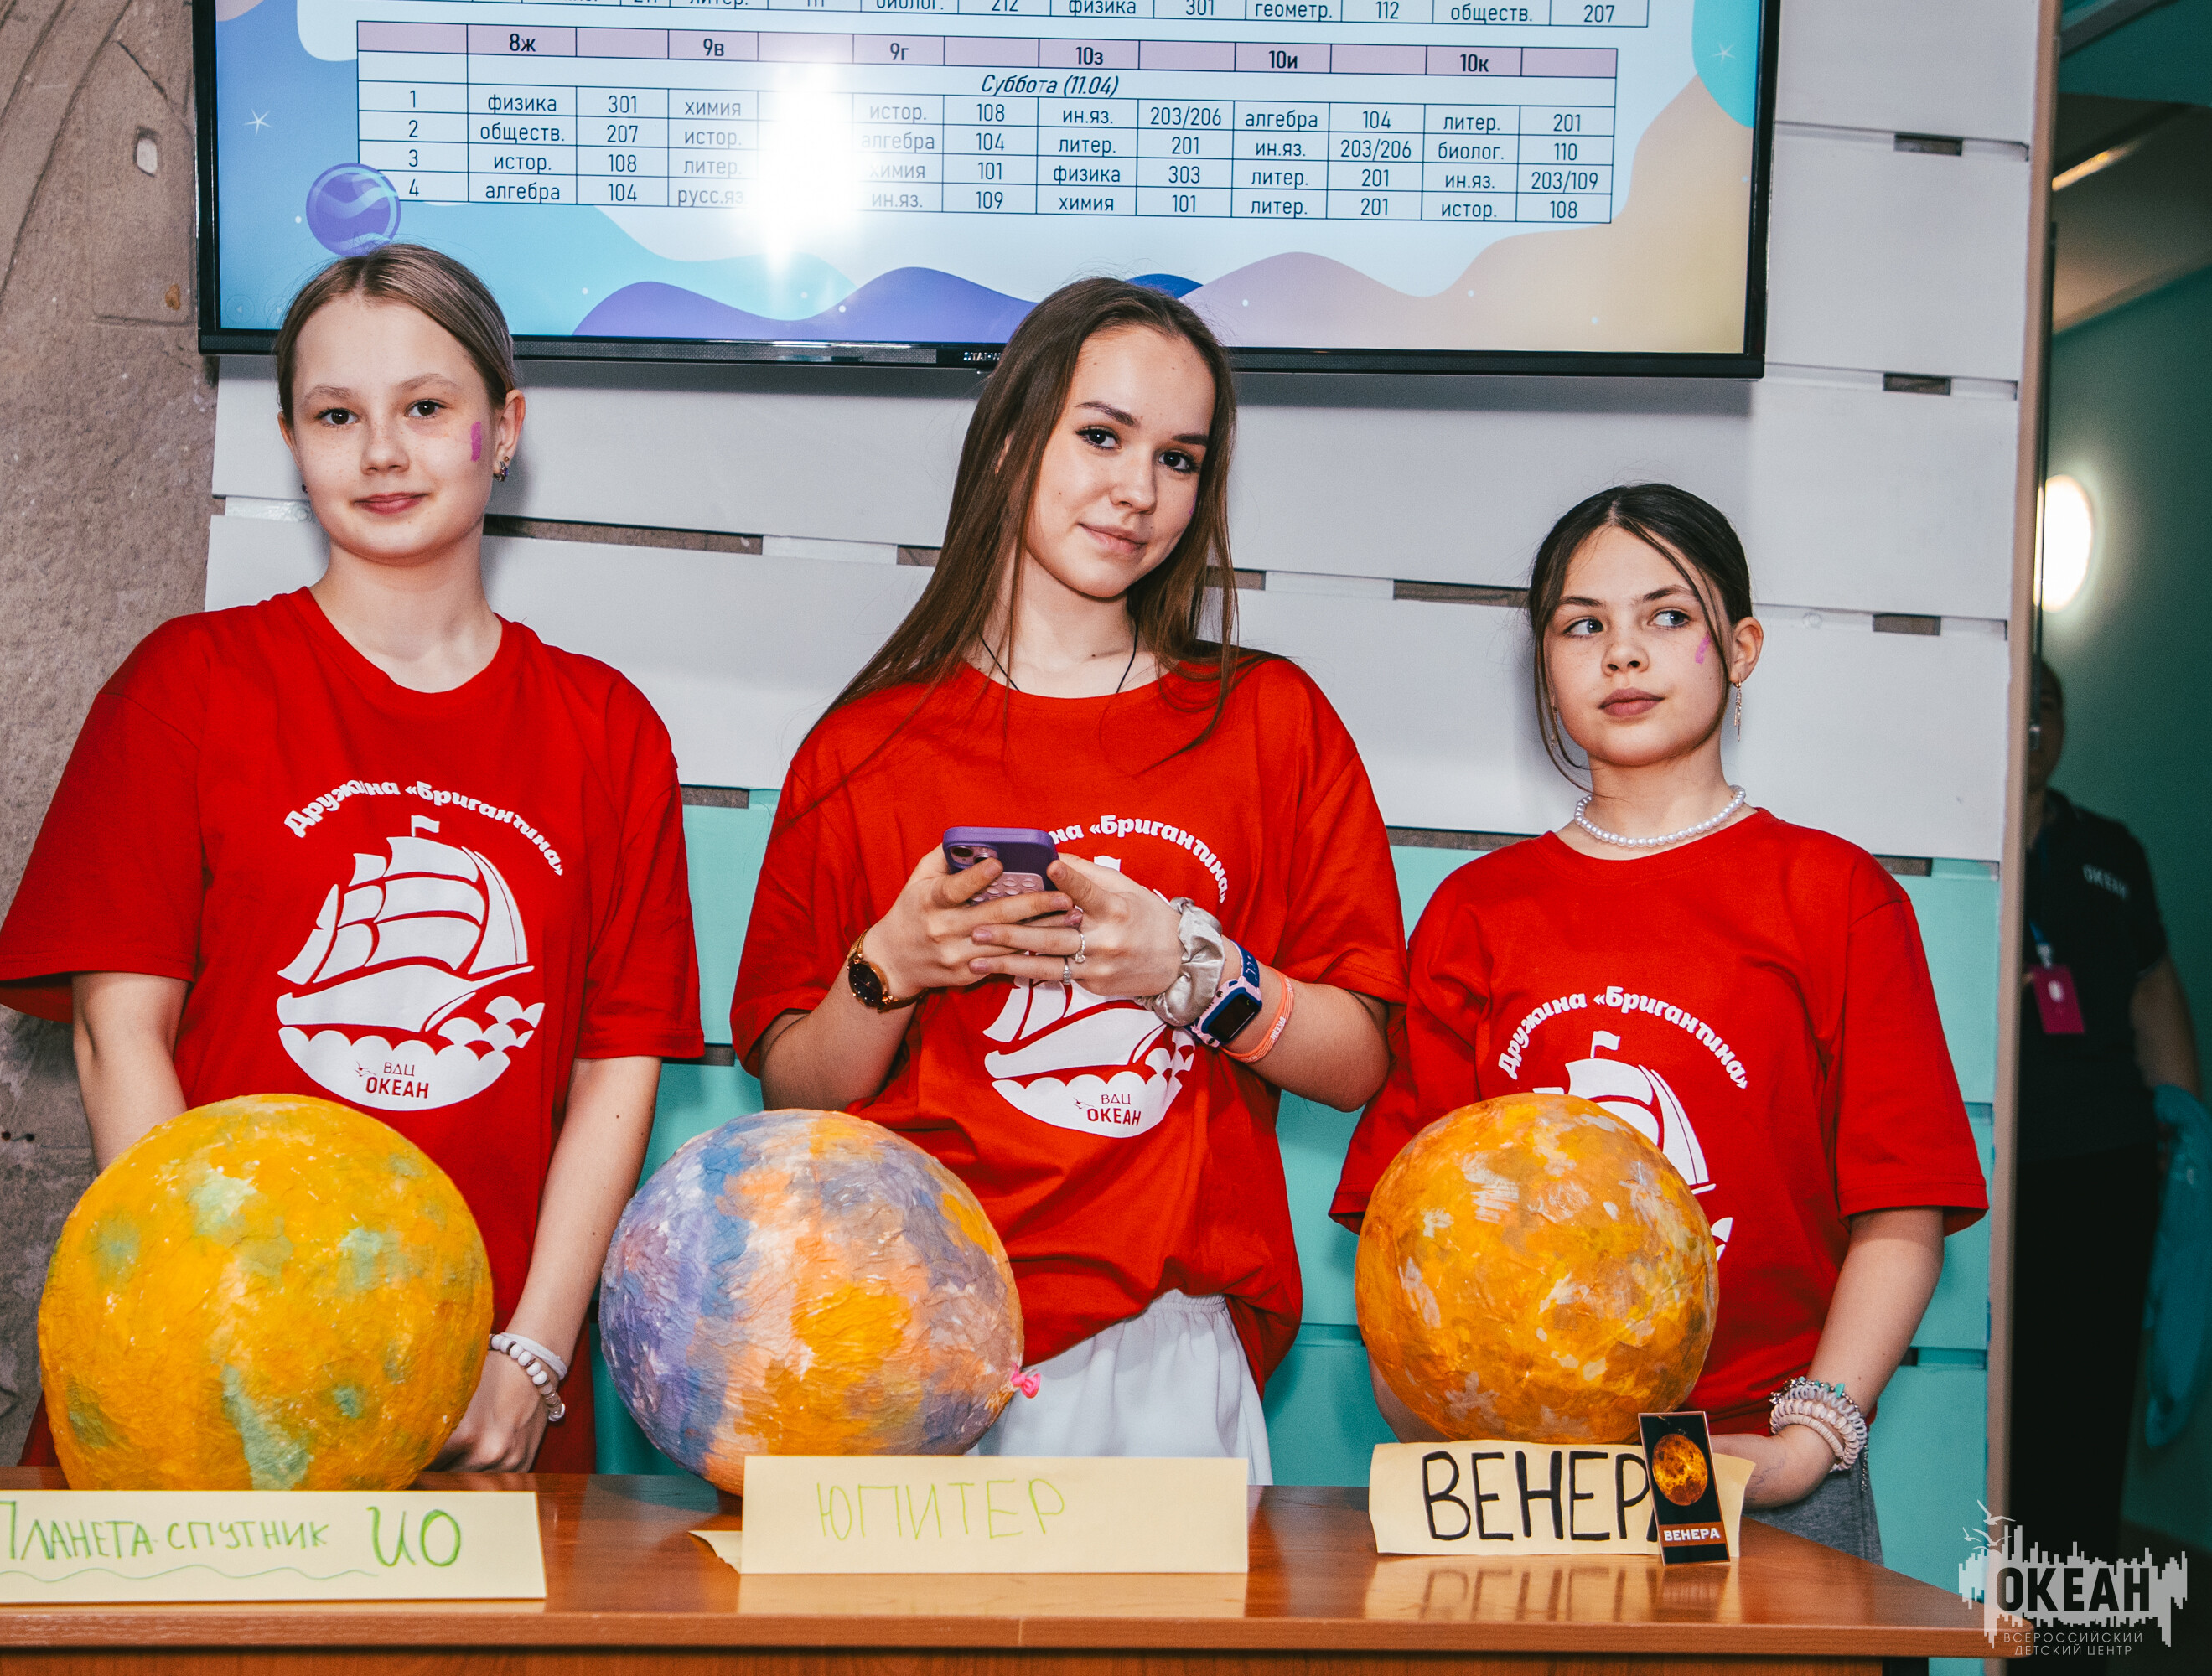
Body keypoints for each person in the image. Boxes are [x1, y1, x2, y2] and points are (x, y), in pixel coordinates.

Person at [0, 246, 703, 1472]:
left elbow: (614, 1072)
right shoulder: (185, 687)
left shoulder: (608, 729)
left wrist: (531, 1357)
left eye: (425, 407)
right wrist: (223, 1329)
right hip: (202, 1363)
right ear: (291, 441)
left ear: (502, 429)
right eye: (335, 416)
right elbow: (117, 1036)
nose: (381, 453)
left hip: (482, 1391)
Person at [730, 278, 1407, 1483]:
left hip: (1163, 1350)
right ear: (1009, 442)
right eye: (1102, 435)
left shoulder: (1268, 720)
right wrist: (891, 968)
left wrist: (1191, 972)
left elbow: (1356, 1060)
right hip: (907, 1335)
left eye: (1180, 458)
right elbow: (795, 1088)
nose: (1139, 490)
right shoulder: (864, 747)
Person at [1329, 483, 1989, 1559]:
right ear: (1545, 664)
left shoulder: (1835, 894)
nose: (1622, 653)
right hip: (1529, 1475)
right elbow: (1408, 1222)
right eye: (1582, 625)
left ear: (1742, 646)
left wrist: (1810, 1439)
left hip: (1740, 1457)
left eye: (1667, 615)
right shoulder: (1476, 910)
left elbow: (1902, 1206)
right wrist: (1452, 1442)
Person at [2011, 660, 2200, 1570]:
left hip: (2107, 1163)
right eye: (2021, 705)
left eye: (2049, 706)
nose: (2034, 724)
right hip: (2001, 1169)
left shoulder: (2112, 851)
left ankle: (2071, 1611)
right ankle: (1987, 1600)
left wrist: (2187, 1136)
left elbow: (2154, 986)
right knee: (2006, 1391)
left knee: (2089, 1394)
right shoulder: (1959, 845)